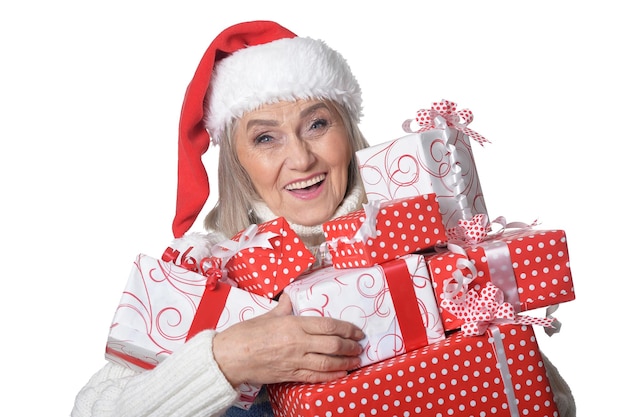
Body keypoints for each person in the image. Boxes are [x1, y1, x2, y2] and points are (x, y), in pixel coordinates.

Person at [71, 20, 576, 417]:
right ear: (238, 161)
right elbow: (89, 413)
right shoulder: (204, 274)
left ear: (346, 130)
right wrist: (227, 360)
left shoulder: (424, 238)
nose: (302, 158)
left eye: (316, 124)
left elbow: (543, 398)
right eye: (265, 137)